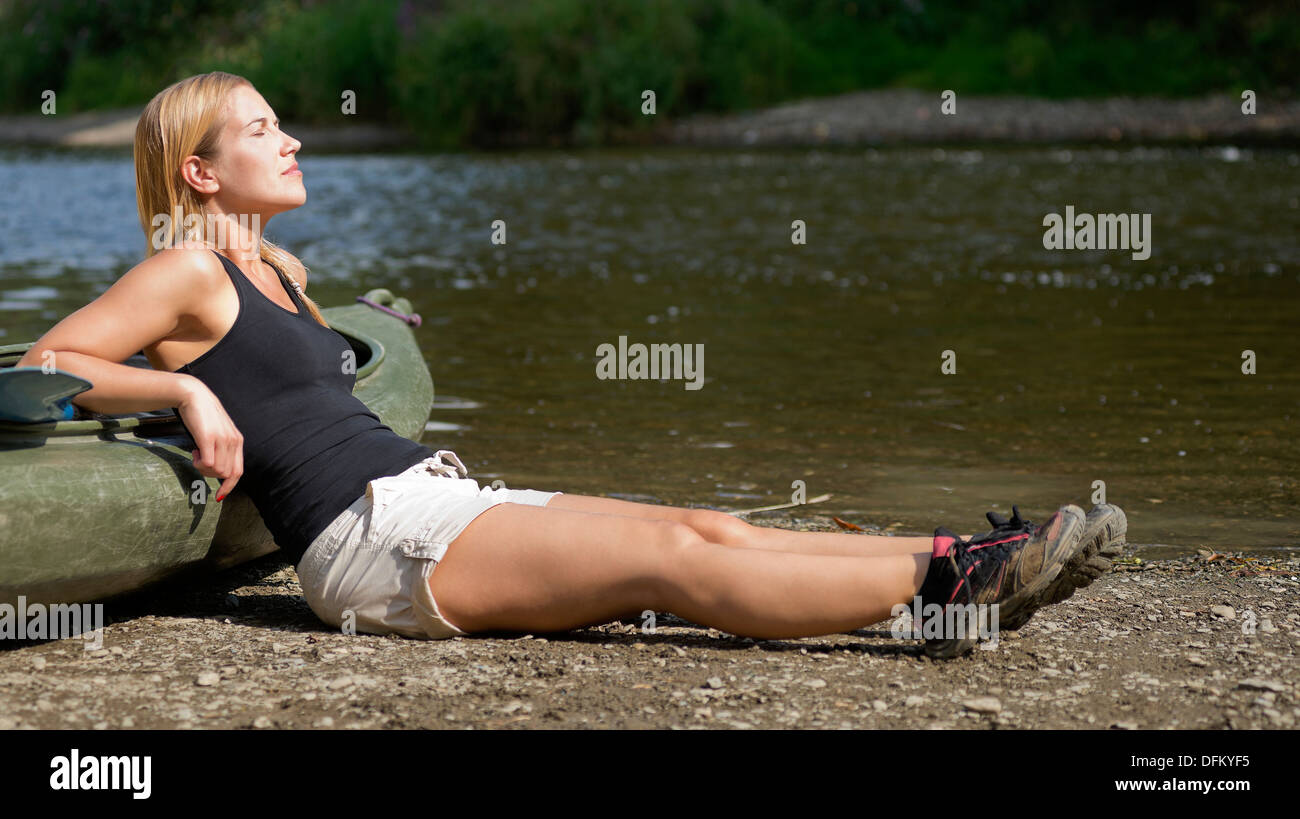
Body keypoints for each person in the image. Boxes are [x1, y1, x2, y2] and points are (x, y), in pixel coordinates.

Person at [16, 72, 1126, 660]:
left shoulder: (285, 268)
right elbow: (48, 358)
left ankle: (954, 564)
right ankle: (959, 582)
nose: (291, 139)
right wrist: (183, 389)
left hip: (422, 496)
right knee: (672, 559)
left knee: (704, 527)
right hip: (367, 545)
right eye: (260, 131)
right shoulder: (185, 271)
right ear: (199, 176)